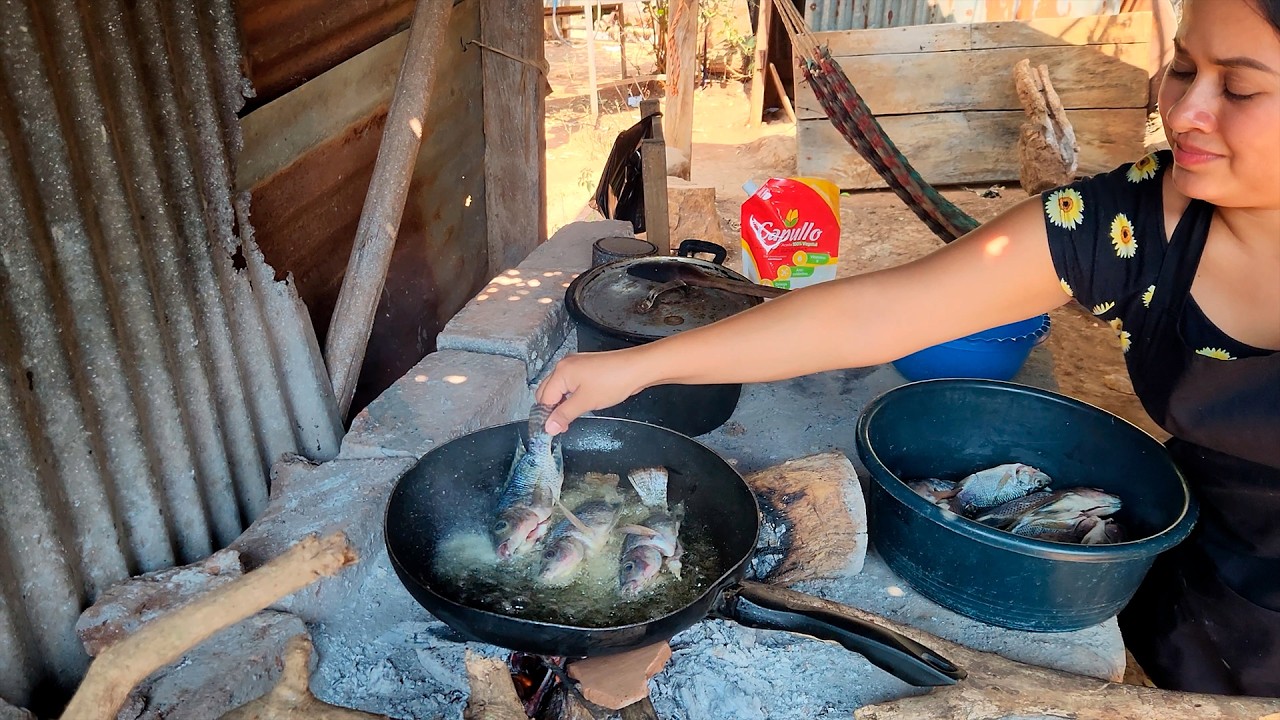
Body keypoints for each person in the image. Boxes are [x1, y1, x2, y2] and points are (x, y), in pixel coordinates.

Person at [537, 0, 1280, 697]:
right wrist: (638, 365)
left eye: (1240, 88)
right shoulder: (1136, 221)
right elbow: (876, 313)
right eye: (1183, 68)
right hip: (1208, 568)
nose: (1184, 111)